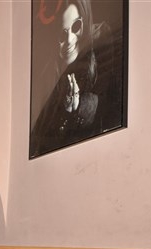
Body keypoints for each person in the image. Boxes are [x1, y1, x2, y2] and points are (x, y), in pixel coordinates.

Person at [29, 0, 124, 158]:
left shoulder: (104, 43)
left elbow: (112, 107)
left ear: (84, 22)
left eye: (76, 27)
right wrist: (65, 113)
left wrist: (81, 104)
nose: (69, 40)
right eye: (62, 34)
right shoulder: (45, 78)